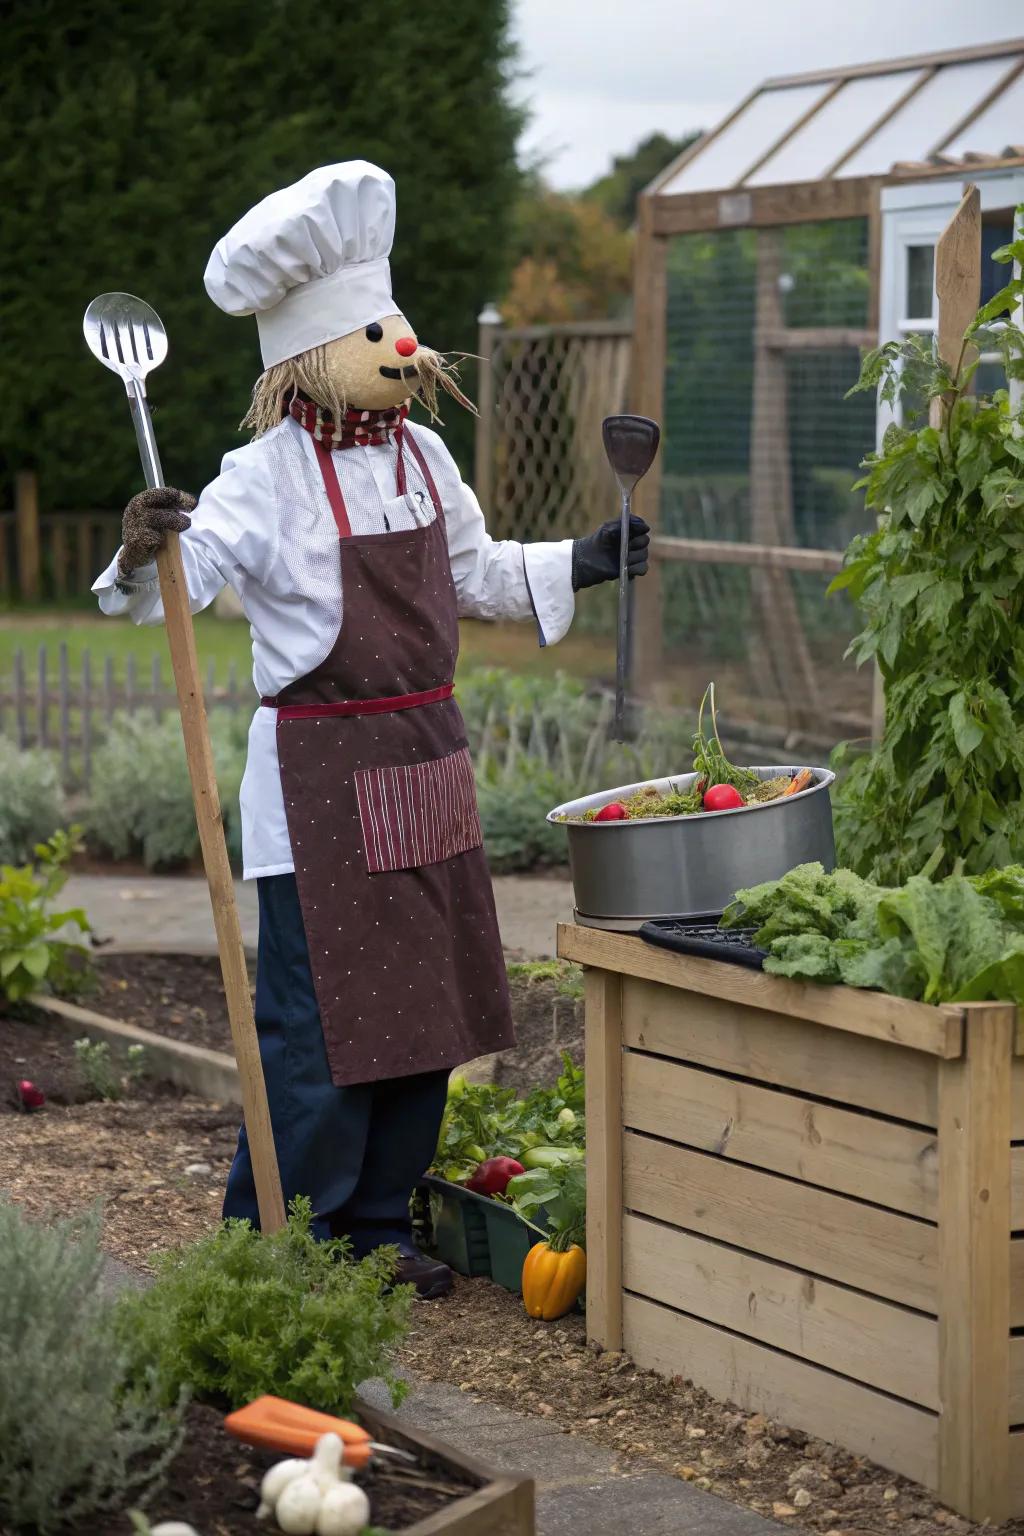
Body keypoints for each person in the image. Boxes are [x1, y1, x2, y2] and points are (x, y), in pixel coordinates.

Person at [94, 161, 649, 1297]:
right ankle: (286, 1239)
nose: (402, 347)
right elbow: (173, 595)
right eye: (373, 330)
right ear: (307, 358)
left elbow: (478, 576)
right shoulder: (261, 478)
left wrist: (581, 564)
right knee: (318, 1030)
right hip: (317, 782)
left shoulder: (423, 455)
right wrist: (144, 545)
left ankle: (377, 1227)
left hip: (426, 763)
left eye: (397, 325)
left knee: (428, 1014)